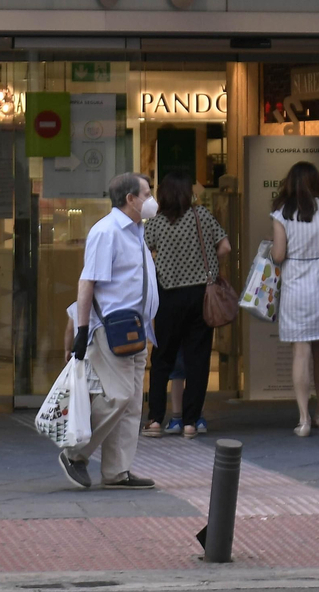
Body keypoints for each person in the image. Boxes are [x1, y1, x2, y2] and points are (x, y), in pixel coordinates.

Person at [59, 173, 161, 491]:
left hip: (136, 329)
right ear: (130, 199)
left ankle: (117, 471)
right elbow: (88, 281)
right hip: (112, 329)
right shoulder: (107, 231)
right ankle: (75, 454)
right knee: (118, 395)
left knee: (131, 404)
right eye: (147, 194)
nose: (151, 199)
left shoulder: (136, 230)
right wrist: (82, 329)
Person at [141, 171, 230, 439]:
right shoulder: (201, 216)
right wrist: (207, 263)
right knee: (198, 359)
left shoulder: (156, 223)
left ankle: (155, 420)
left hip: (168, 297)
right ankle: (191, 422)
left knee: (162, 359)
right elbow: (225, 247)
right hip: (200, 296)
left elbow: (141, 251)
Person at [270, 161, 319, 436]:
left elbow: (278, 255)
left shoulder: (282, 212)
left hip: (296, 285)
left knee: (301, 352)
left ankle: (303, 419)